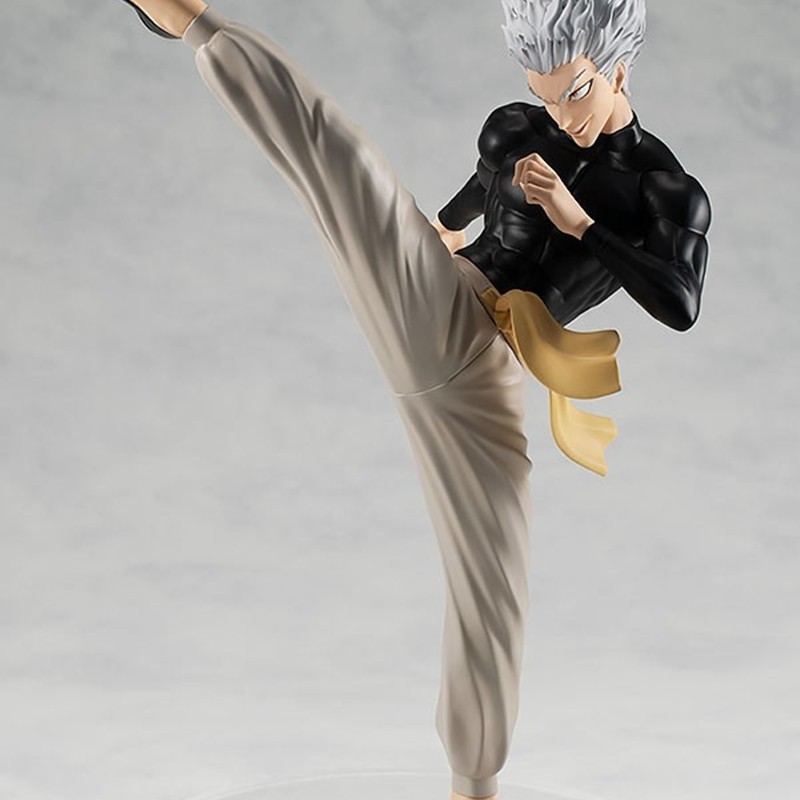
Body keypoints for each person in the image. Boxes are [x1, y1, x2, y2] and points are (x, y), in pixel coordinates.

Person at [116, 1, 711, 798]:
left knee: (492, 576)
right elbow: (475, 194)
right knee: (342, 165)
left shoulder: (663, 190)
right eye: (543, 91)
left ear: (620, 68)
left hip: (487, 369)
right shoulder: (518, 129)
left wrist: (580, 225)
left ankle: (474, 783)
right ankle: (189, 19)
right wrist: (443, 230)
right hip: (439, 296)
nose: (560, 113)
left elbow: (679, 302)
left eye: (575, 91)